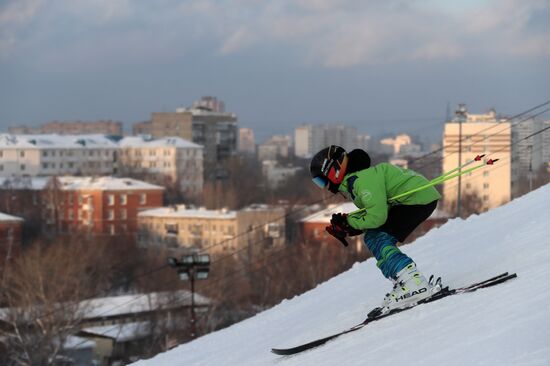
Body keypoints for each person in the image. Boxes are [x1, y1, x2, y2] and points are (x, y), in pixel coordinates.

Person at [310, 145, 442, 315]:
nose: (325, 186)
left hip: (416, 200)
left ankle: (413, 283)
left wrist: (350, 224)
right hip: (412, 200)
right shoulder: (356, 180)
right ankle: (404, 281)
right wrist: (347, 222)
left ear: (334, 170)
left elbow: (377, 217)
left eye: (322, 180)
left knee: (380, 237)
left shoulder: (362, 180)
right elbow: (375, 211)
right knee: (372, 237)